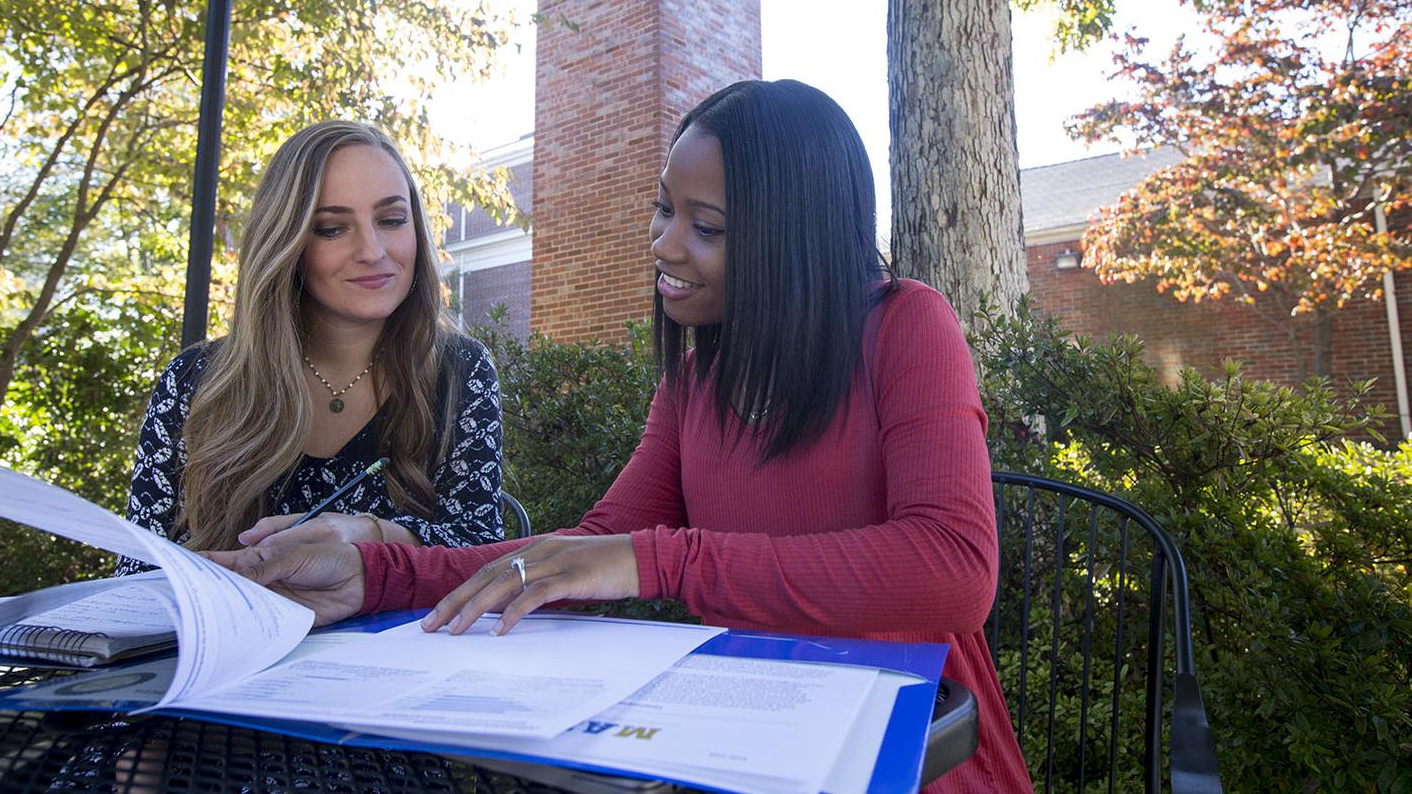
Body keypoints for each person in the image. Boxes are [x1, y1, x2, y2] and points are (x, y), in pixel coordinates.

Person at [209, 81, 1033, 792]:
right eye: (663, 208)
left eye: (705, 226)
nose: (663, 245)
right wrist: (371, 571)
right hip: (736, 740)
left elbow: (954, 568)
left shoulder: (906, 327)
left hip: (905, 748)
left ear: (796, 238)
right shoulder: (694, 384)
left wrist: (663, 557)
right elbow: (590, 546)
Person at [117, 120, 504, 574]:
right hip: (227, 643)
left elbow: (480, 554)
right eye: (332, 229)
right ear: (286, 242)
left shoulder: (460, 370)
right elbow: (138, 570)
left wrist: (368, 534)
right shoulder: (194, 381)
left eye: (392, 220)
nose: (373, 250)